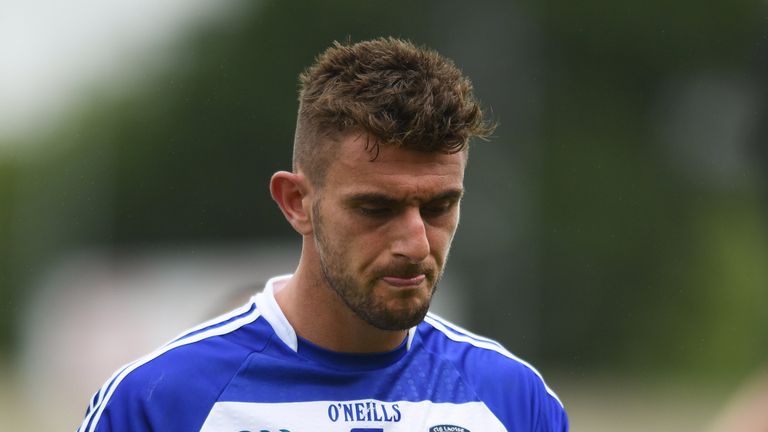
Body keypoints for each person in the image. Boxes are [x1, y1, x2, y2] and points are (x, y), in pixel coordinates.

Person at [77, 37, 568, 431]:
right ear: (296, 202)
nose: (416, 244)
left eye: (439, 206)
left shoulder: (514, 401)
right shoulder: (158, 403)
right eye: (376, 208)